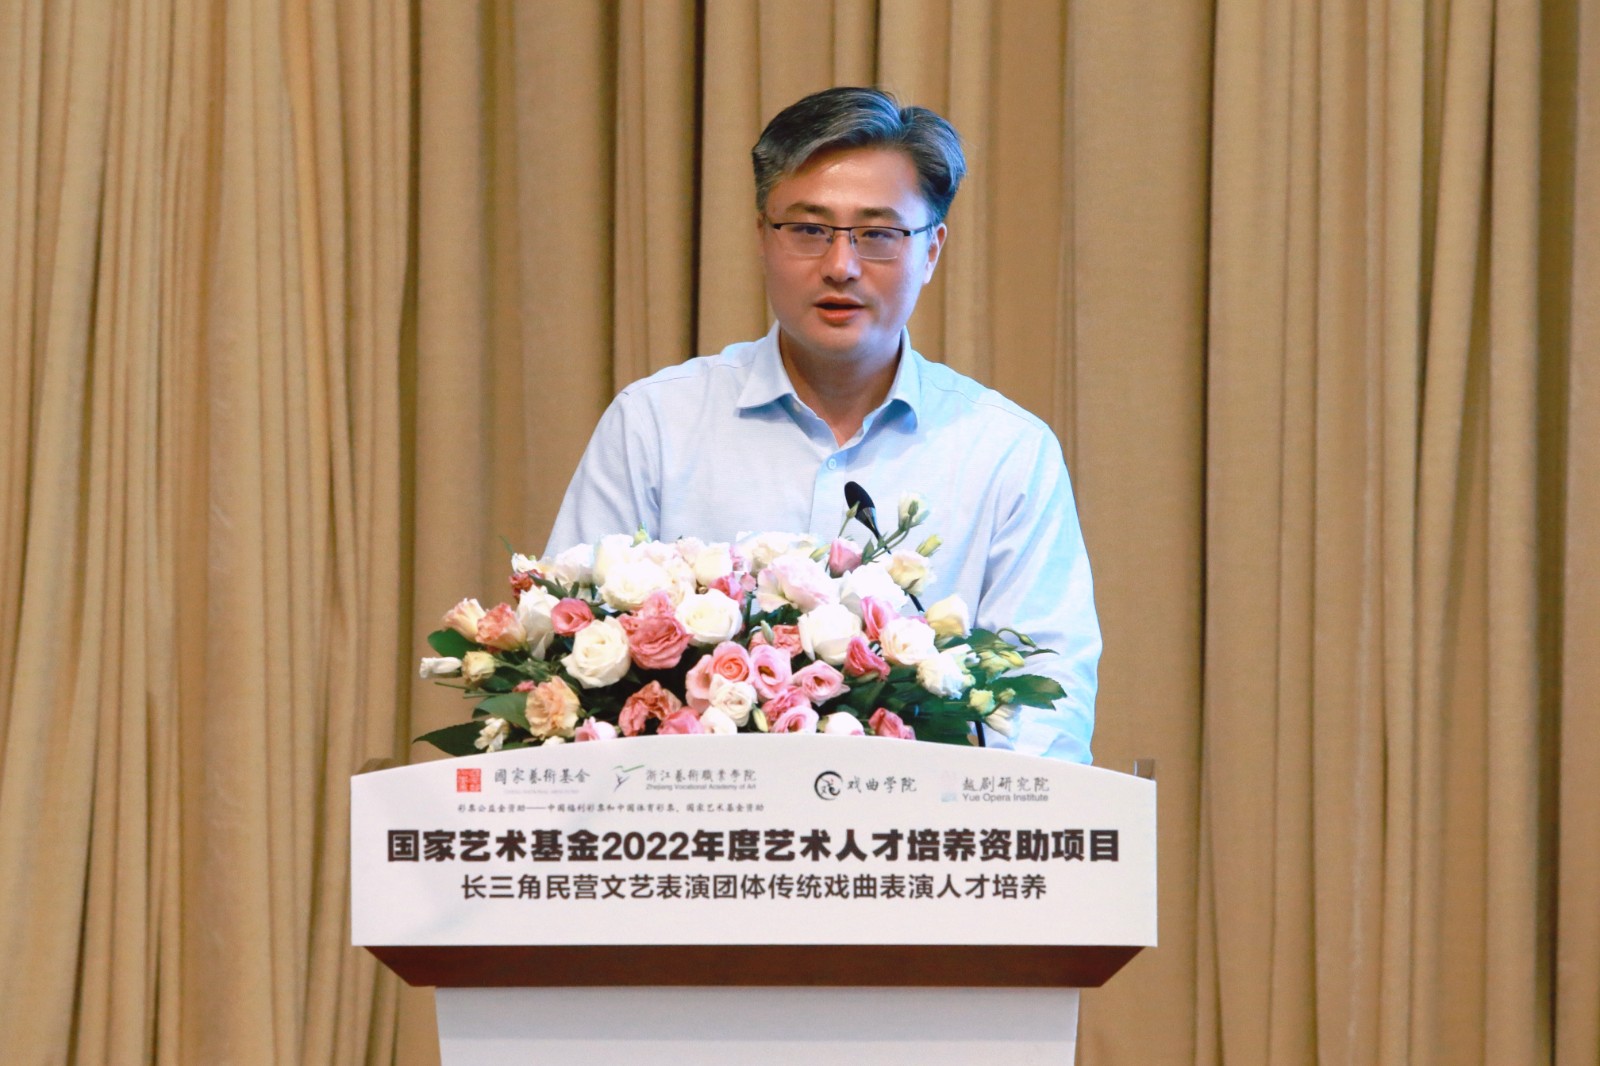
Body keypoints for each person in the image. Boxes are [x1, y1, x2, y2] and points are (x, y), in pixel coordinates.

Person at [546, 87, 1099, 762]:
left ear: (931, 251)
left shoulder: (1006, 452)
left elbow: (1045, 709)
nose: (841, 266)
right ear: (762, 237)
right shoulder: (656, 424)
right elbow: (567, 657)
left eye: (879, 234)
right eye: (809, 230)